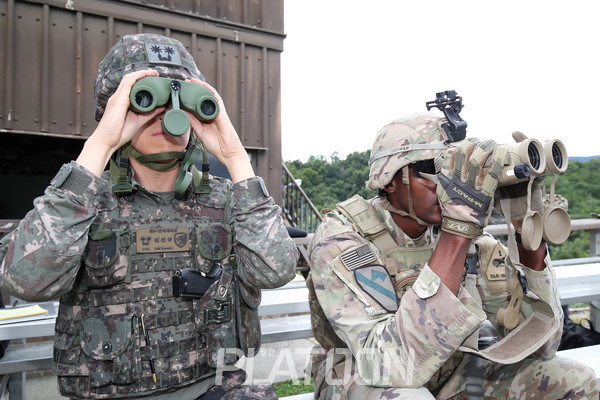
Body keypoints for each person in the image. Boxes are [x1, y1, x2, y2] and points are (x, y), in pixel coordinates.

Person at [0, 33, 299, 399]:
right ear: (114, 110)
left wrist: (235, 157)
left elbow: (277, 270)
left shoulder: (230, 200)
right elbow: (26, 282)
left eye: (181, 98)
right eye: (145, 98)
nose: (167, 112)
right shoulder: (79, 203)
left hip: (214, 387)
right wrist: (99, 145)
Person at [306, 111, 599, 399]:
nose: (447, 185)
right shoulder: (343, 239)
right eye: (434, 170)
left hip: (451, 370)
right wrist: (457, 232)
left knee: (574, 380)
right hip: (359, 376)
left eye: (456, 171)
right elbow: (389, 364)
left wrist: (527, 235)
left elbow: (541, 348)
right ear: (390, 179)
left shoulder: (472, 241)